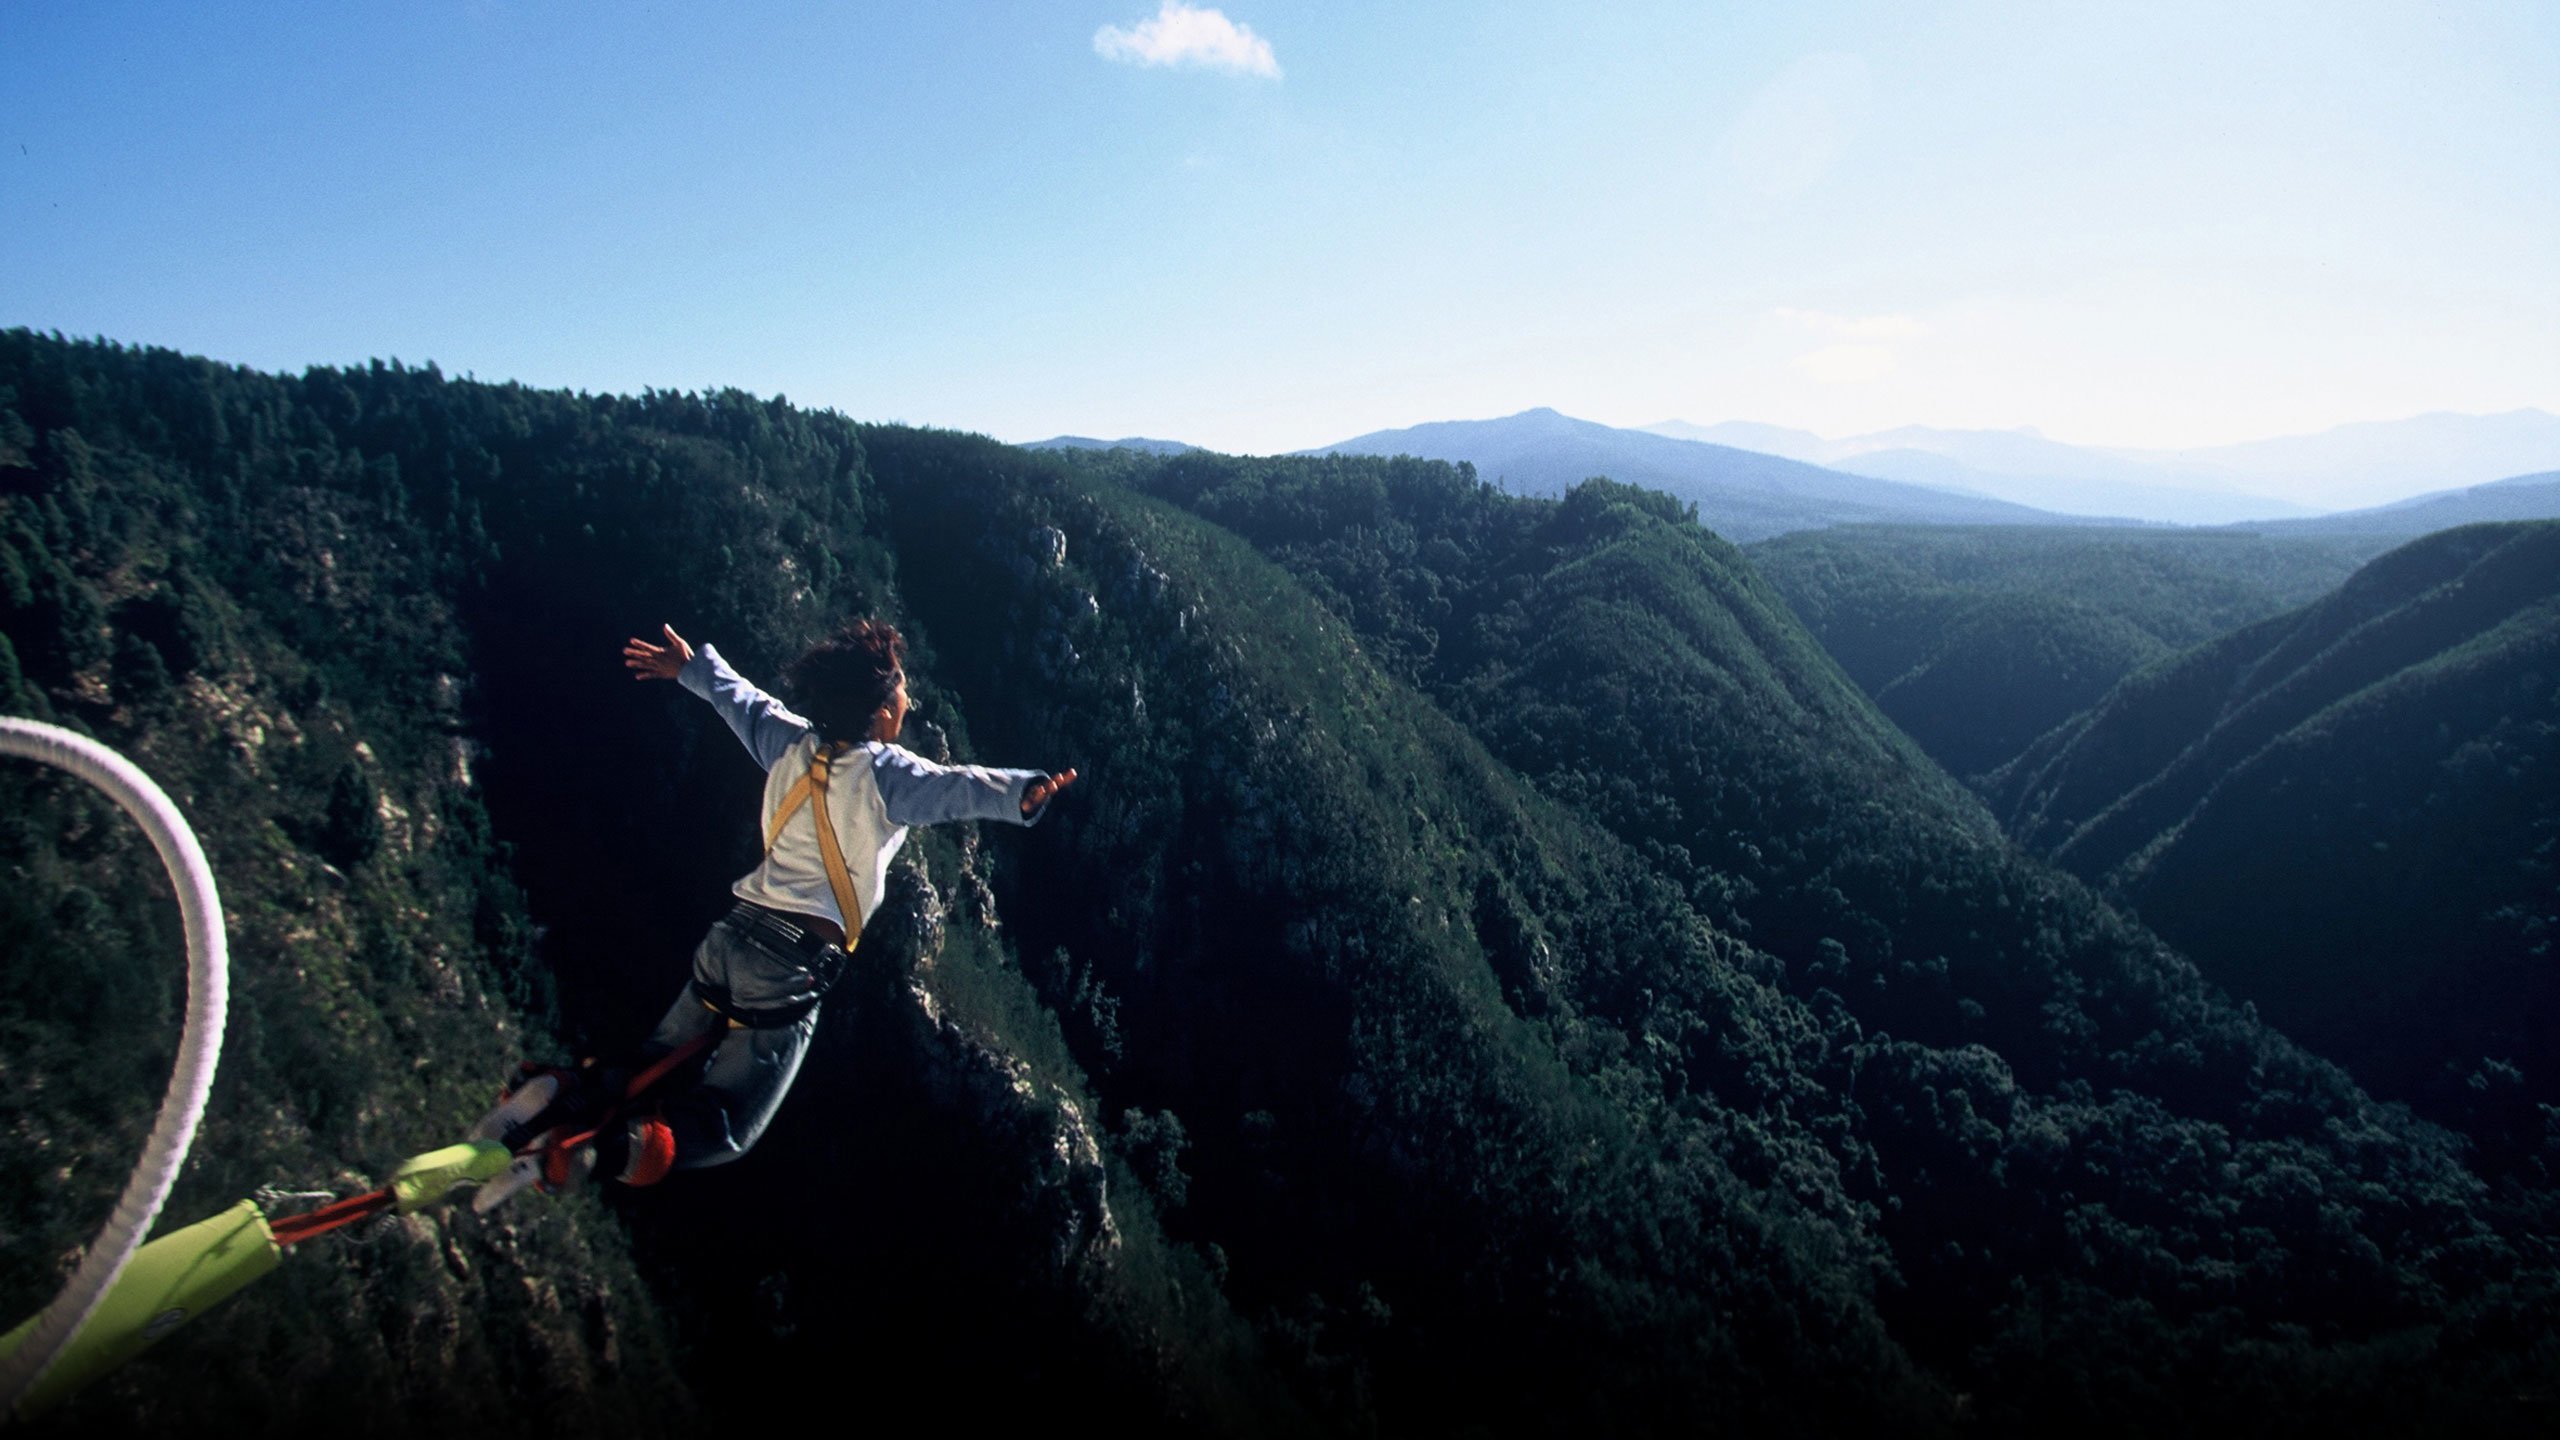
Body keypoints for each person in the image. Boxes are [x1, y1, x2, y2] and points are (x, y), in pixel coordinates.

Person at [472, 618, 1077, 1209]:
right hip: (787, 967)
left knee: (647, 1064)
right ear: (882, 711)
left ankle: (557, 1093)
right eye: (902, 694)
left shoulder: (790, 741)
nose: (908, 701)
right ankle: (590, 1155)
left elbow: (743, 701)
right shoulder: (888, 777)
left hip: (729, 939)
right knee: (727, 1124)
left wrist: (691, 668)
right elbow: (957, 786)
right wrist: (1020, 793)